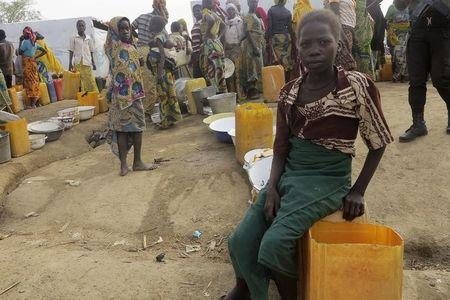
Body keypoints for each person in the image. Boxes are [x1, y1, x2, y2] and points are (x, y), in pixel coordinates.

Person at [225, 10, 393, 300]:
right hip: (291, 174)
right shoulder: (290, 92)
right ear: (297, 46)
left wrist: (358, 192)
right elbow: (281, 148)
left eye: (324, 42)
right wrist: (273, 187)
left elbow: (378, 142)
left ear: (339, 44)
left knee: (274, 244)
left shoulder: (354, 86)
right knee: (240, 240)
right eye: (306, 44)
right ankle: (245, 290)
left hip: (328, 179)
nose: (314, 50)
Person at [105, 17, 157, 176]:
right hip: (122, 98)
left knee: (136, 128)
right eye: (121, 29)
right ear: (115, 31)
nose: (126, 31)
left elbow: (138, 64)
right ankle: (127, 164)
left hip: (133, 95)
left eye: (127, 28)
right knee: (123, 130)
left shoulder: (131, 47)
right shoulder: (113, 46)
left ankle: (134, 163)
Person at [397, 0, 450, 140]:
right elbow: (399, 5)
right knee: (416, 80)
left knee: (442, 79)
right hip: (418, 29)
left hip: (443, 29)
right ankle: (418, 124)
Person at [132, 0, 171, 116]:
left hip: (140, 50)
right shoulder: (158, 22)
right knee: (151, 83)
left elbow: (130, 28)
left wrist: (137, 39)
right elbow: (167, 43)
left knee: (145, 81)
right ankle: (149, 110)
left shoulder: (142, 17)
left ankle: (149, 109)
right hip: (149, 51)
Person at [147, 16, 182, 129]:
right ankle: (172, 119)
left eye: (150, 23)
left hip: (161, 72)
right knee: (169, 94)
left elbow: (162, 56)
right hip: (166, 72)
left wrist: (158, 74)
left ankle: (165, 122)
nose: (148, 25)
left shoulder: (158, 38)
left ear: (155, 26)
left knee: (163, 96)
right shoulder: (162, 36)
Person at [200, 0, 228, 93]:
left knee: (211, 72)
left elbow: (210, 21)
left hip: (209, 45)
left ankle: (216, 96)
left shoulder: (205, 12)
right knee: (220, 70)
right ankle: (223, 94)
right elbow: (224, 27)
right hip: (217, 43)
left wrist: (207, 35)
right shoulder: (215, 14)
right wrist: (218, 38)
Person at [241, 0, 265, 100]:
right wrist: (255, 46)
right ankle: (252, 90)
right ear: (248, 3)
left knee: (258, 66)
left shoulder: (255, 15)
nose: (254, 4)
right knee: (251, 66)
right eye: (252, 2)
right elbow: (248, 32)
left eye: (255, 2)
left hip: (257, 44)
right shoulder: (248, 16)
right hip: (251, 45)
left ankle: (257, 89)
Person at [19, 27, 47, 108]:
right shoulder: (34, 43)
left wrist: (20, 41)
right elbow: (45, 51)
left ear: (26, 34)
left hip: (28, 64)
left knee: (30, 82)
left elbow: (20, 52)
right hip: (33, 63)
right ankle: (36, 102)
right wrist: (36, 57)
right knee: (35, 81)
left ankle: (32, 104)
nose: (23, 35)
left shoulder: (25, 42)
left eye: (23, 33)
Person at [69, 20, 98, 93]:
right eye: (79, 25)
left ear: (85, 27)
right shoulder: (74, 38)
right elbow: (71, 51)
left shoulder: (88, 38)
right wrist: (70, 64)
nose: (81, 27)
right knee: (80, 81)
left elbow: (91, 51)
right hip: (78, 63)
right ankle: (83, 97)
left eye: (82, 25)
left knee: (90, 80)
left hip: (87, 62)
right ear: (77, 27)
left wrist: (93, 62)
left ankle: (92, 95)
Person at [267, 0, 294, 80]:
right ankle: (287, 84)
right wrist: (293, 40)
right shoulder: (288, 12)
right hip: (286, 38)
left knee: (277, 61)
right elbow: (290, 28)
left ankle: (278, 84)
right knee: (286, 61)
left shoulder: (271, 10)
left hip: (276, 38)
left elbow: (270, 27)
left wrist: (267, 39)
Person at [224, 3, 244, 100]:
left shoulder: (239, 21)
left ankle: (240, 95)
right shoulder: (225, 23)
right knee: (229, 73)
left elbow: (241, 36)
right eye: (228, 10)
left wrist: (235, 45)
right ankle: (232, 96)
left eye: (232, 9)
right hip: (227, 51)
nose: (230, 12)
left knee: (237, 72)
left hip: (236, 49)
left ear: (235, 10)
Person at [385, 4, 410, 82]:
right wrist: (391, 30)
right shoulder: (392, 7)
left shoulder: (409, 6)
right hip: (396, 36)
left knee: (406, 55)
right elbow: (386, 21)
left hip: (407, 34)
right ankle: (397, 75)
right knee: (397, 55)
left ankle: (403, 75)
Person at [354, 0, 375, 77]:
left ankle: (365, 79)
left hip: (363, 34)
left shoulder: (362, 3)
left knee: (364, 57)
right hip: (355, 33)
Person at [191, 4, 204, 78]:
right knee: (198, 78)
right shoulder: (196, 24)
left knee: (201, 77)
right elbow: (195, 41)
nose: (196, 13)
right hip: (196, 54)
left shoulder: (203, 22)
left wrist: (199, 54)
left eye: (198, 10)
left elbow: (204, 39)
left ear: (202, 11)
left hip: (201, 54)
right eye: (194, 11)